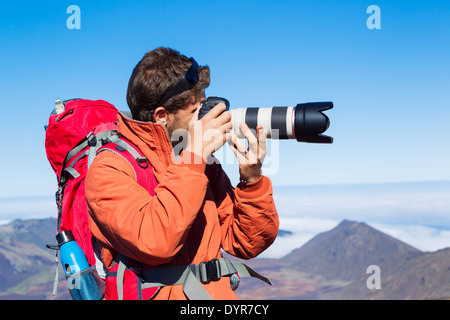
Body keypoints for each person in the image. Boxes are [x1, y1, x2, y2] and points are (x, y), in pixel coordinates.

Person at [86, 47, 279, 300]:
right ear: (162, 116)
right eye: (197, 110)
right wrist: (194, 157)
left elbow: (246, 241)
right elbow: (155, 241)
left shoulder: (199, 163)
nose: (206, 118)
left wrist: (251, 180)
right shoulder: (110, 168)